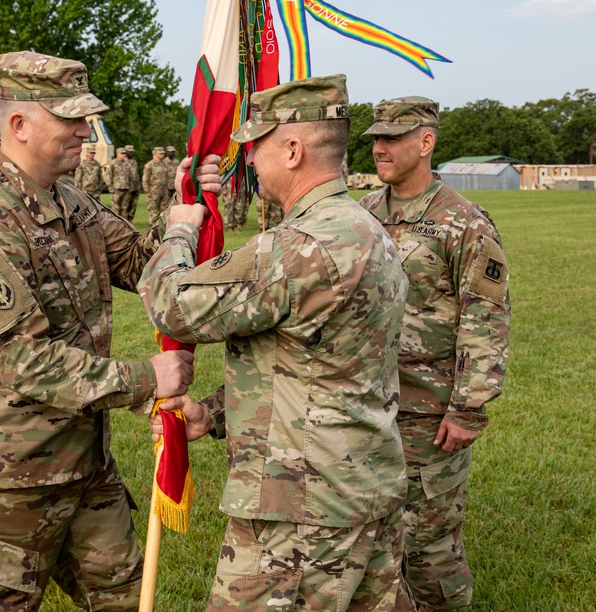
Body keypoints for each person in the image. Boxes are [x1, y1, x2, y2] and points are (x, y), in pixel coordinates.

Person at [0, 50, 218, 610]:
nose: (85, 129)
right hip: (4, 483)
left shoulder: (74, 202)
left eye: (85, 116)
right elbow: (21, 361)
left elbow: (146, 265)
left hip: (83, 466)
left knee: (128, 600)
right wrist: (144, 377)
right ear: (18, 124)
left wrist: (187, 208)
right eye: (70, 118)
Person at [139, 74, 413, 610]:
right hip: (362, 485)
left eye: (255, 148)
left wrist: (179, 225)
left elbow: (171, 304)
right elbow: (321, 368)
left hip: (300, 513)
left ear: (291, 150)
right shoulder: (367, 226)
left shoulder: (298, 248)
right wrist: (213, 413)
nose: (249, 164)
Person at [358, 97, 511, 611]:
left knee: (428, 543)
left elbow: (485, 317)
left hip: (430, 410)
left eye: (392, 138)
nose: (379, 147)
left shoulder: (463, 222)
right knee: (373, 534)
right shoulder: (364, 214)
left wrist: (469, 406)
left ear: (426, 142)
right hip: (367, 402)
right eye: (375, 138)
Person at [142, 147, 172, 227]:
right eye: (160, 153)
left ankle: (162, 227)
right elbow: (145, 179)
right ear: (155, 154)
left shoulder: (164, 164)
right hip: (154, 191)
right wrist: (147, 191)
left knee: (164, 211)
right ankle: (154, 229)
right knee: (154, 211)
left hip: (164, 191)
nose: (162, 155)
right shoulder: (149, 165)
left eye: (163, 153)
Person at [106, 147, 132, 219]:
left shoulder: (127, 164)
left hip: (126, 188)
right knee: (116, 208)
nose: (124, 155)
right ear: (117, 154)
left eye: (125, 153)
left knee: (124, 208)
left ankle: (124, 224)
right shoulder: (113, 163)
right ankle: (116, 224)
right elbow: (107, 176)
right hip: (116, 189)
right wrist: (110, 187)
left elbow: (130, 176)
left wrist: (130, 187)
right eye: (122, 153)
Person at [124, 144, 140, 221]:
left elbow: (136, 174)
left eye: (132, 152)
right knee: (125, 206)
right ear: (126, 152)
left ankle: (130, 220)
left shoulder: (134, 162)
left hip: (135, 187)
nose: (131, 153)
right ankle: (124, 221)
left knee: (133, 205)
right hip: (127, 187)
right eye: (129, 152)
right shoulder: (123, 162)